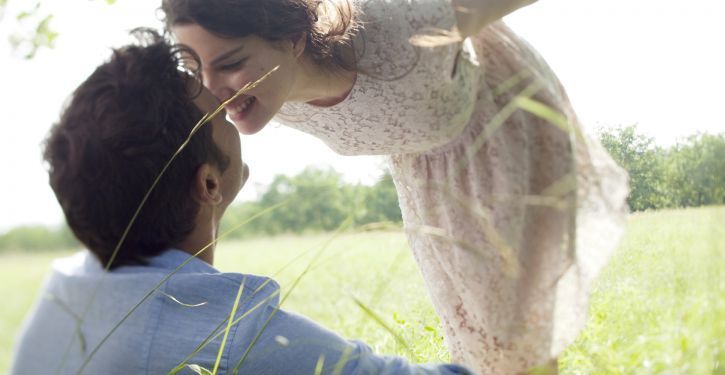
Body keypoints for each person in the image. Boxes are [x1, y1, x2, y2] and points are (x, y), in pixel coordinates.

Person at [160, 0, 629, 373]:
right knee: (473, 334)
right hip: (428, 175)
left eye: (231, 63)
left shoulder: (403, 22)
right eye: (194, 67)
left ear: (294, 39)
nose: (210, 88)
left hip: (504, 130)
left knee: (513, 327)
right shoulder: (245, 95)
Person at [10, 29, 473, 375]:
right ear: (208, 184)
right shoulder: (228, 340)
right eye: (214, 108)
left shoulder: (63, 292)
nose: (230, 103)